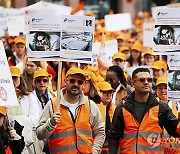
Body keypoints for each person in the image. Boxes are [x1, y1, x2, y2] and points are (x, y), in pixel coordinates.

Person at [108, 67, 180, 154]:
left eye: (149, 80)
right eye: (142, 80)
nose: (146, 82)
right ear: (133, 83)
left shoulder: (161, 107)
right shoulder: (123, 107)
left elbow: (175, 130)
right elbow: (114, 137)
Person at [36, 67, 105, 154]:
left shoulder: (91, 105)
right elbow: (39, 134)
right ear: (65, 81)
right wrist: (51, 123)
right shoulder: (52, 105)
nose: (76, 84)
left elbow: (100, 132)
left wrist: (94, 151)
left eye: (80, 82)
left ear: (83, 85)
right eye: (72, 81)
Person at [155, 76, 180, 153]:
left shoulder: (178, 105)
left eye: (165, 88)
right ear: (156, 90)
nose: (163, 90)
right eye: (160, 88)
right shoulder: (152, 106)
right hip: (158, 149)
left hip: (176, 149)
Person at [96, 81, 116, 154]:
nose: (109, 95)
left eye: (110, 92)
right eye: (105, 92)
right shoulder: (94, 109)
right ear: (98, 93)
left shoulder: (115, 109)